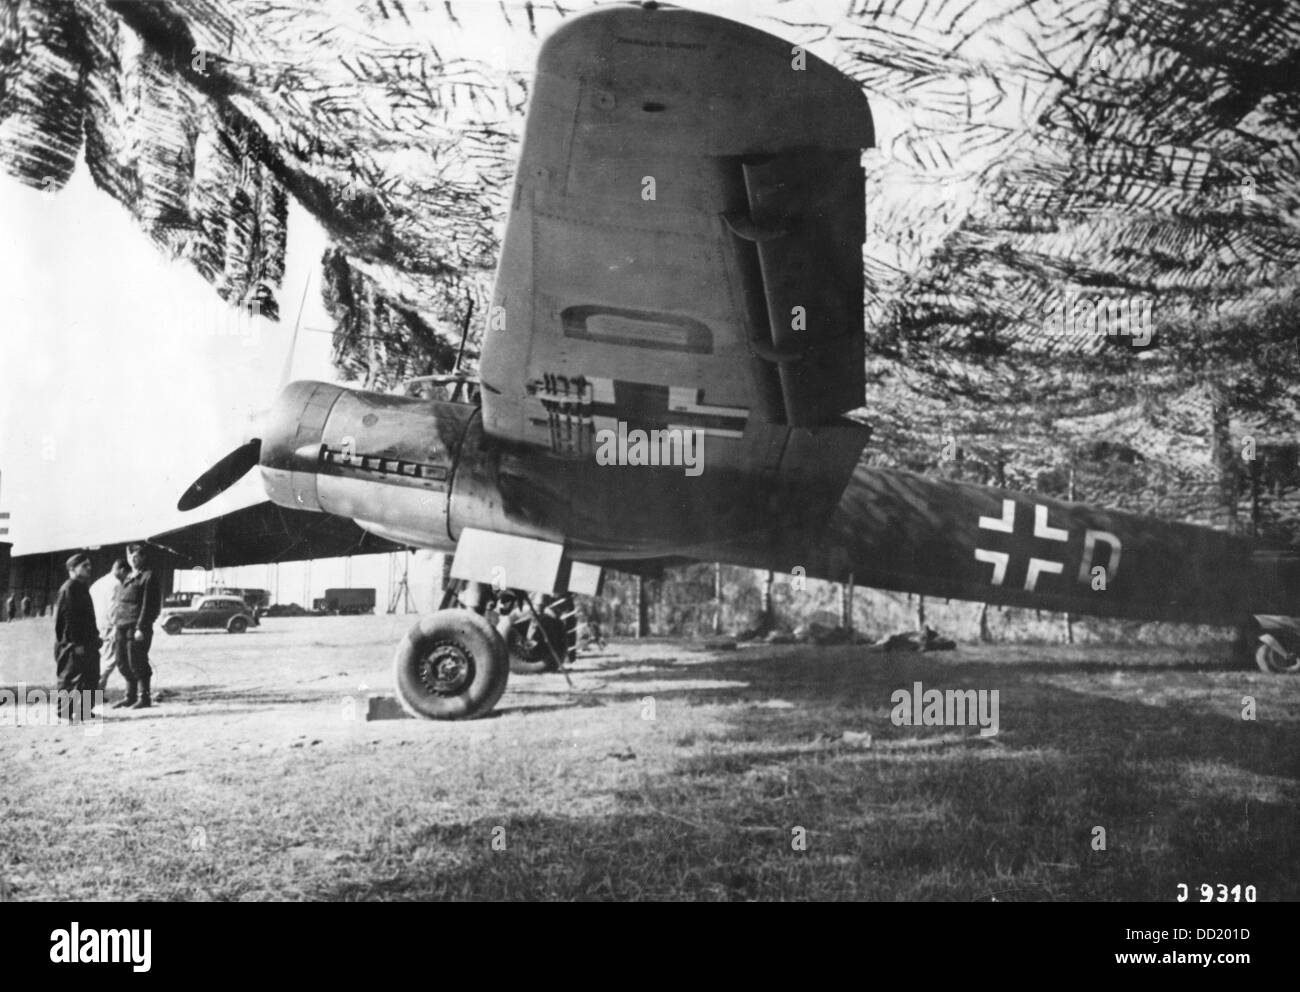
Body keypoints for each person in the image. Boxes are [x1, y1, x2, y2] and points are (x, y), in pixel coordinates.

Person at [53, 552, 101, 722]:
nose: (89, 568)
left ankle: (85, 711)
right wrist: (75, 643)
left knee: (90, 676)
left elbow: (88, 618)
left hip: (88, 643)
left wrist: (95, 638)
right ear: (72, 569)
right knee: (70, 678)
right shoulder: (69, 588)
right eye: (84, 566)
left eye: (89, 565)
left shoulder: (81, 587)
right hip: (73, 644)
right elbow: (68, 620)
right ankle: (64, 712)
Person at [113, 544, 161, 710]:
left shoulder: (148, 577)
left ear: (143, 557)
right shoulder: (127, 577)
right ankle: (129, 696)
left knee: (137, 661)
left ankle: (144, 697)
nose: (132, 560)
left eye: (136, 556)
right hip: (121, 626)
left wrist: (141, 627)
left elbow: (149, 606)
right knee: (121, 661)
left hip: (137, 627)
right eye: (130, 557)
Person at [93, 559, 130, 691]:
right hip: (109, 628)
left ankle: (95, 694)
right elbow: (113, 609)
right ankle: (95, 694)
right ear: (122, 570)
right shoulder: (116, 584)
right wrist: (117, 626)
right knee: (108, 662)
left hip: (97, 626)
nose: (126, 578)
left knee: (99, 661)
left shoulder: (98, 583)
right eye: (127, 574)